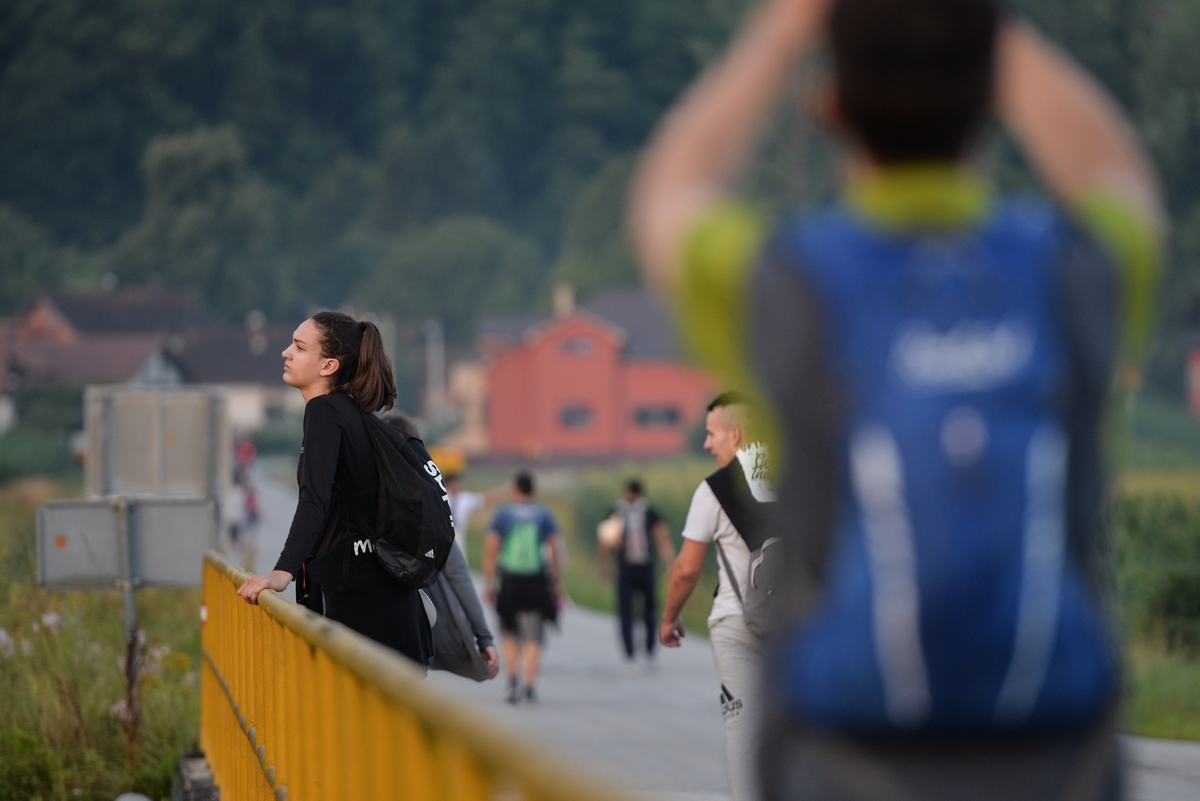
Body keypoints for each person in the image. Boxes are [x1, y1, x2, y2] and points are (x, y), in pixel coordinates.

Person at [631, 0, 1161, 799]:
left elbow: (672, 195)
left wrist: (784, 28)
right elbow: (1119, 179)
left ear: (828, 104)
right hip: (1055, 753)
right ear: (990, 95)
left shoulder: (796, 284)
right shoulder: (1064, 275)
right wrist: (984, 29)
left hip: (850, 751)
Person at [236, 312, 433, 669]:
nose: (285, 353)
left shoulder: (325, 412)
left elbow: (315, 500)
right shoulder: (354, 416)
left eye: (298, 346)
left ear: (328, 365)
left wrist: (282, 573)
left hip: (355, 605)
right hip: (389, 606)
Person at [660, 394, 773, 801]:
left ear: (735, 434)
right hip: (798, 626)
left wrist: (669, 617)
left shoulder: (714, 489)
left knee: (743, 729)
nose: (707, 445)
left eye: (711, 434)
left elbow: (686, 568)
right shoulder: (801, 473)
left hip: (738, 623)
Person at [382, 411, 501, 680]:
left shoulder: (360, 492)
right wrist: (483, 637)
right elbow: (457, 574)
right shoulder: (429, 498)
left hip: (357, 626)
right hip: (411, 626)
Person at [482, 471, 564, 703]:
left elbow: (491, 549)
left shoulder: (503, 514)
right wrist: (557, 582)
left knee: (509, 629)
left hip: (510, 579)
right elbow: (555, 549)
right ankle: (529, 686)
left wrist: (489, 582)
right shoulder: (543, 514)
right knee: (534, 632)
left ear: (515, 489)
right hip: (536, 579)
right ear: (533, 490)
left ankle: (513, 681)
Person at [598, 478, 676, 673]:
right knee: (638, 610)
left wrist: (604, 565)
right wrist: (669, 564)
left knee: (641, 609)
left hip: (634, 567)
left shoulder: (624, 511)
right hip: (638, 566)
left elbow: (605, 541)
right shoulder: (640, 512)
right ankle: (639, 653)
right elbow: (662, 539)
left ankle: (635, 654)